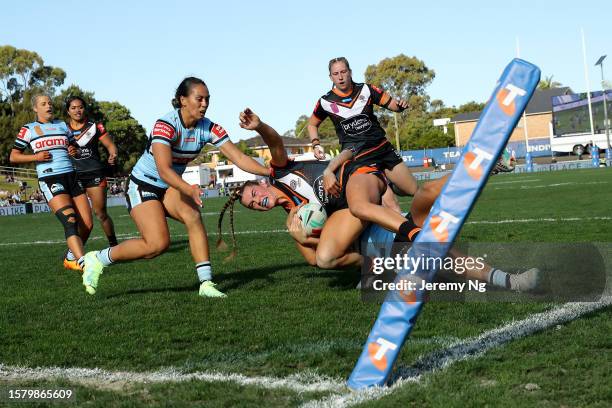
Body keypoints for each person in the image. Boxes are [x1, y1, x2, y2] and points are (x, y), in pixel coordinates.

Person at [220, 110, 540, 292]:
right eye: (253, 205)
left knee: (377, 216)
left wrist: (259, 126)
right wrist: (302, 236)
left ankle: (390, 253)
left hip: (362, 179)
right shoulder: (293, 217)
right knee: (426, 204)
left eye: (253, 194)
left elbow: (275, 141)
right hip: (370, 219)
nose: (258, 201)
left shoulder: (281, 172)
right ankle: (509, 279)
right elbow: (314, 259)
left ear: (259, 183)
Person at [81, 77, 271, 297]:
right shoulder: (166, 125)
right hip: (144, 184)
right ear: (183, 100)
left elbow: (238, 157)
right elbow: (164, 170)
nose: (204, 104)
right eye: (199, 99)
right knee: (157, 245)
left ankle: (206, 284)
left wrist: (270, 171)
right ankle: (98, 258)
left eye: (207, 99)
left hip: (170, 186)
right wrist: (188, 189)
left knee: (193, 215)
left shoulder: (209, 128)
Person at [307, 57, 418, 198]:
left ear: (350, 72)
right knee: (383, 201)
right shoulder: (325, 101)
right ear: (330, 77)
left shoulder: (367, 89)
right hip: (357, 156)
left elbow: (393, 105)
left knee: (413, 190)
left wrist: (400, 106)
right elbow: (312, 124)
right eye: (336, 74)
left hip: (382, 148)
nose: (340, 77)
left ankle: (389, 185)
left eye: (343, 72)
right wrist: (316, 144)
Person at [10, 94, 93, 271]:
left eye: (50, 103)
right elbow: (13, 156)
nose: (48, 106)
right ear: (35, 108)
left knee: (87, 224)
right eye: (43, 104)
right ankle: (84, 264)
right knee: (70, 220)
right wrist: (36, 157)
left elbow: (76, 150)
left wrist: (74, 151)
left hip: (72, 177)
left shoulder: (62, 125)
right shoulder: (29, 129)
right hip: (50, 178)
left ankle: (70, 257)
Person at [63, 96, 119, 270]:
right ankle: (75, 254)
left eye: (80, 107)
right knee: (81, 220)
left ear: (84, 109)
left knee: (100, 213)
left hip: (94, 173)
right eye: (73, 108)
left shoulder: (95, 127)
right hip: (74, 176)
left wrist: (113, 154)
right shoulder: (62, 129)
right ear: (68, 111)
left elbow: (110, 146)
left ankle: (114, 246)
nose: (77, 110)